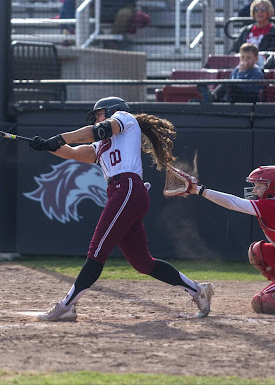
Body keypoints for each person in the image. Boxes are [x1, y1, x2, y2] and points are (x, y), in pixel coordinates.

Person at [28, 97, 214, 321]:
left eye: (99, 113)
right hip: (122, 193)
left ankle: (67, 305)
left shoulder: (124, 119)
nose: (97, 118)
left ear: (112, 111)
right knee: (143, 263)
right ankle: (198, 290)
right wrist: (48, 146)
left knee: (97, 252)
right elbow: (75, 153)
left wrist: (60, 138)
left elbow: (97, 130)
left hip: (126, 189)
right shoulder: (103, 144)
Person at [187, 165, 275, 314]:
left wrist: (200, 190)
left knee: (261, 302)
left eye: (259, 186)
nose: (255, 190)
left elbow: (232, 203)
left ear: (273, 187)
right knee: (257, 251)